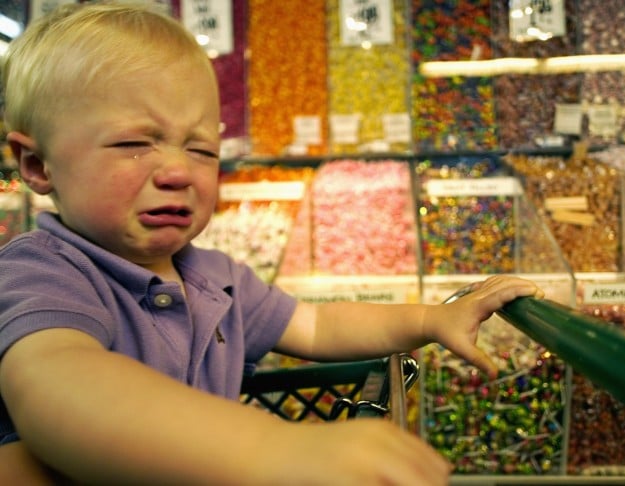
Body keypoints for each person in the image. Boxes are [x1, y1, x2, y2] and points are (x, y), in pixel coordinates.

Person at [0, 2, 544, 484]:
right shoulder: (45, 274)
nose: (177, 172)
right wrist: (270, 447)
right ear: (35, 163)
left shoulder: (216, 277)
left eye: (203, 150)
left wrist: (430, 320)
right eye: (134, 142)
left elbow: (317, 324)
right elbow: (58, 384)